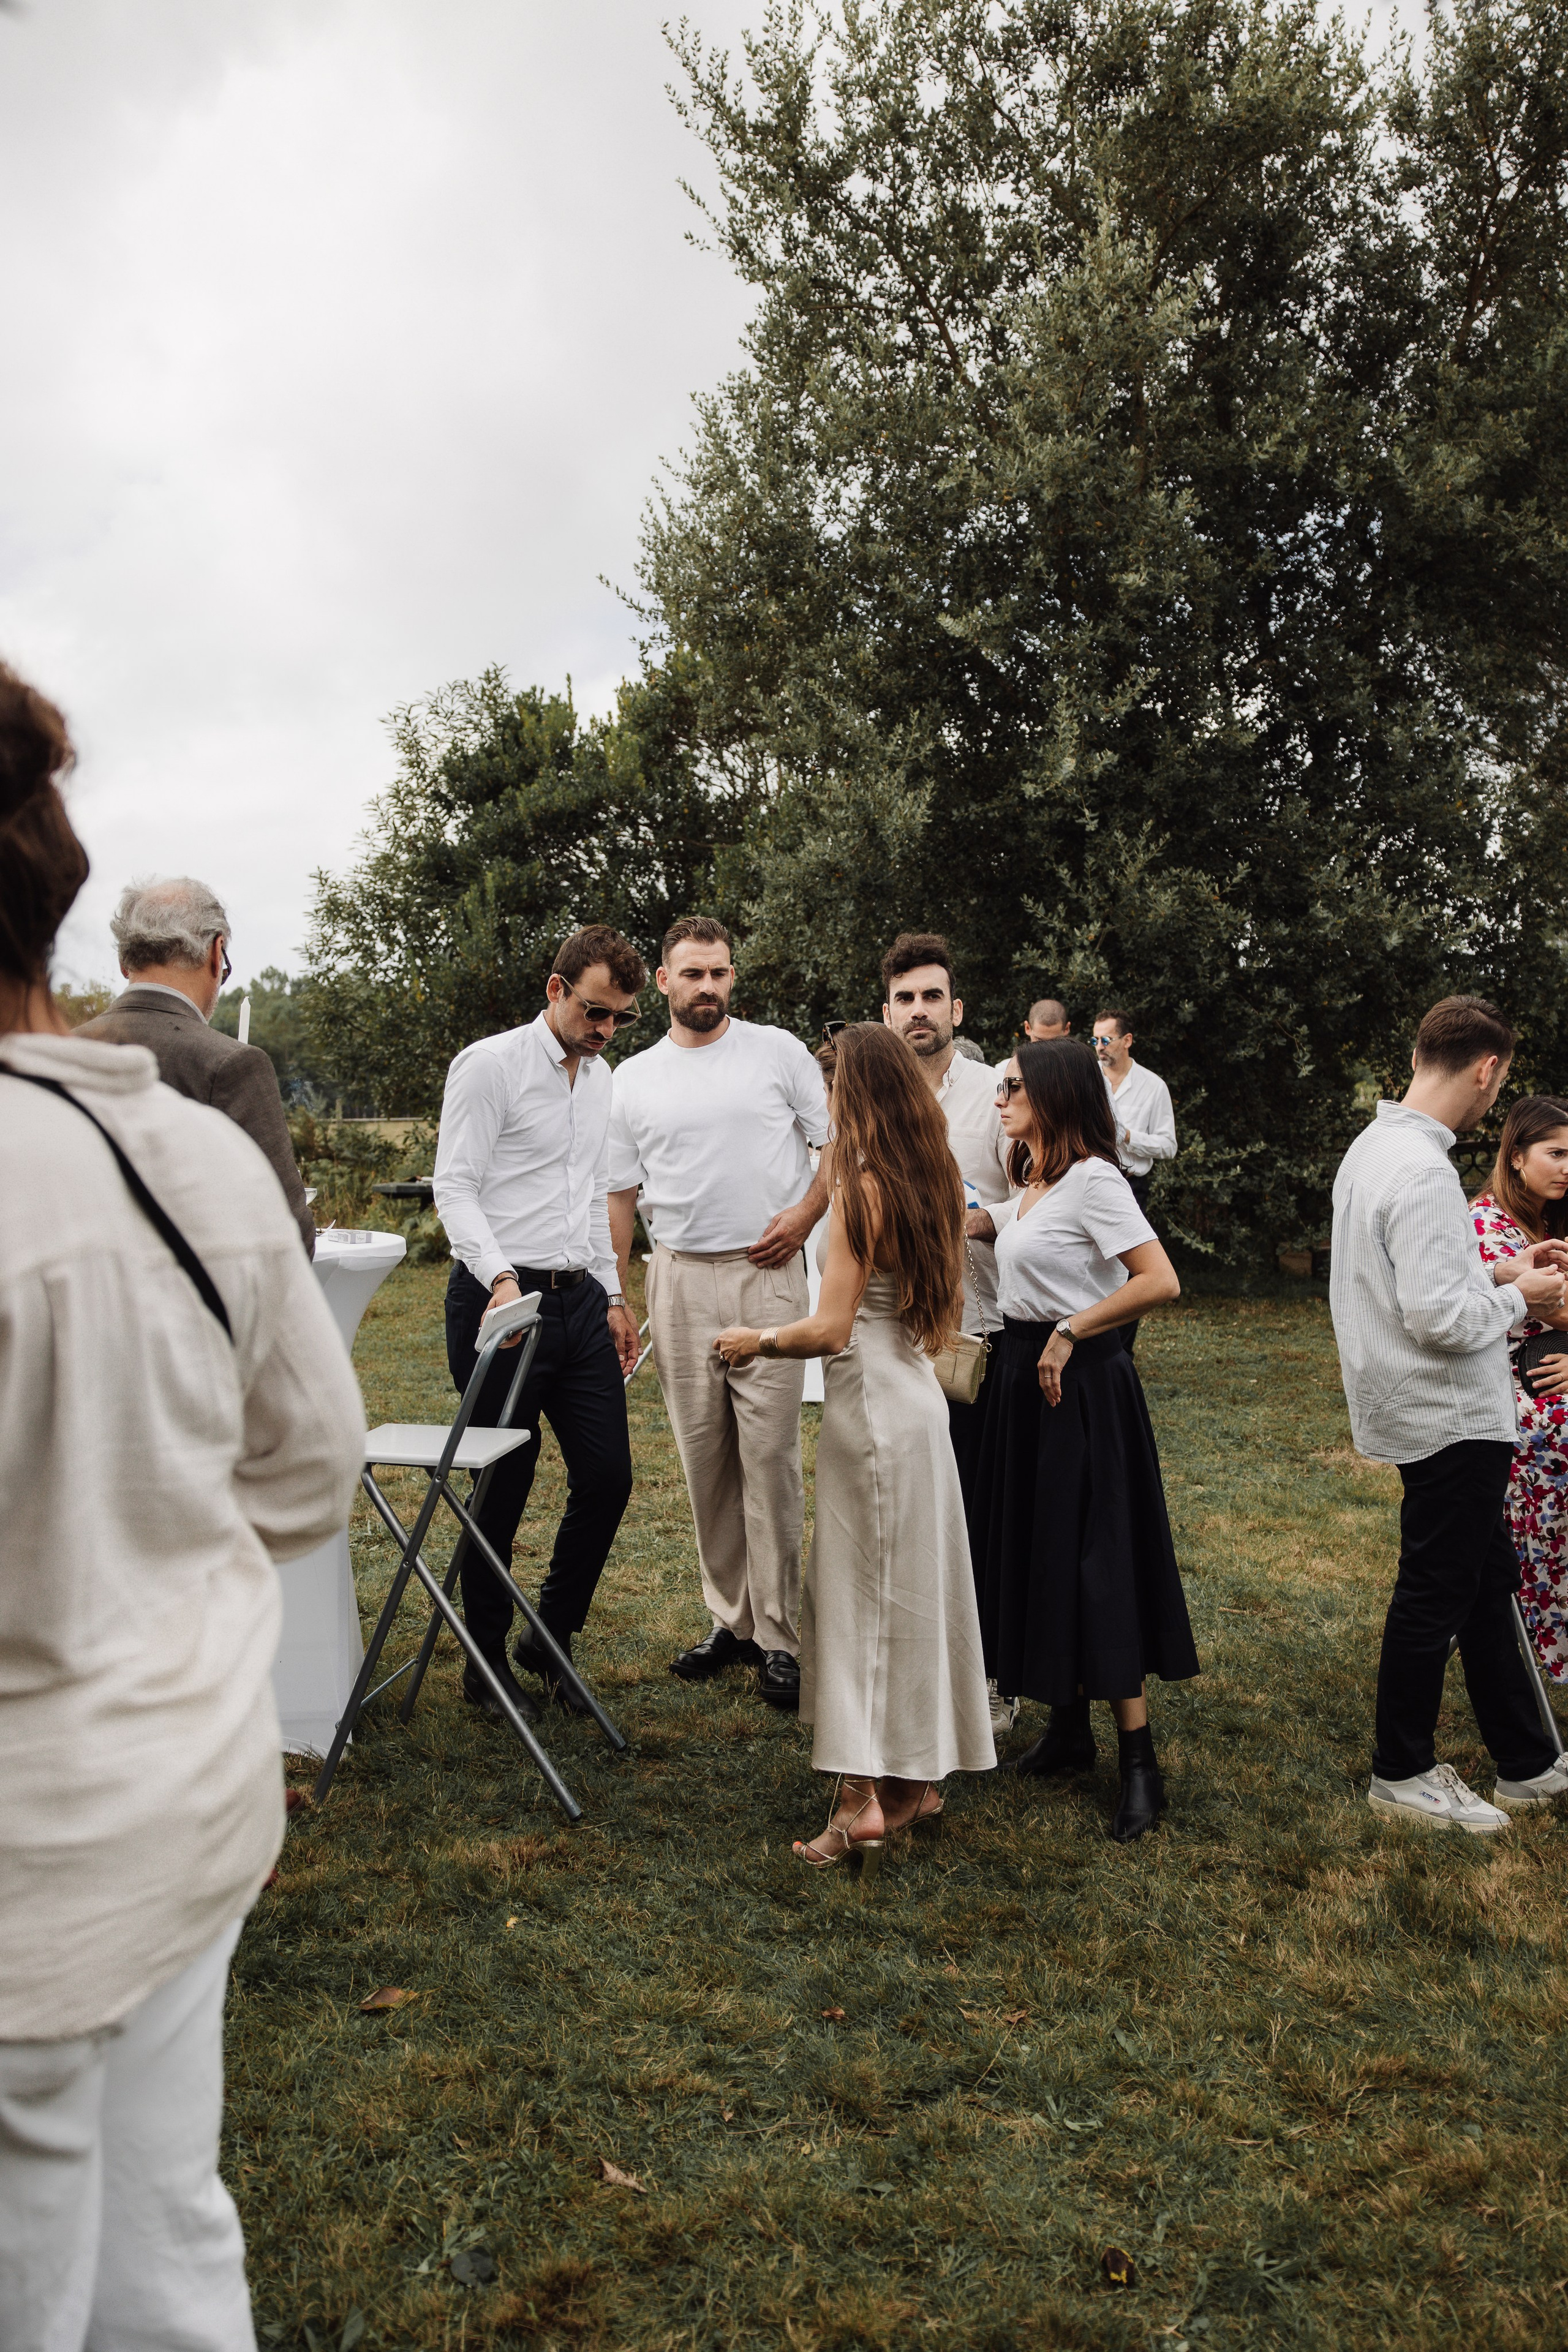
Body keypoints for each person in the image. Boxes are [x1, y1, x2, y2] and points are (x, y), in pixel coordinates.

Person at [0, 663, 365, 2346]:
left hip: (37, 1864)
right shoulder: (212, 1141)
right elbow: (307, 1468)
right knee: (166, 2239)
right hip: (186, 1790)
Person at [715, 1023, 994, 1869]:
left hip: (871, 1412)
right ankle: (916, 1783)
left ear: (853, 1096)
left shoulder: (865, 1192)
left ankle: (857, 1803)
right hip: (914, 1401)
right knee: (910, 1594)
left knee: (858, 1606)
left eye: (832, 1092)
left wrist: (753, 1341)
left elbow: (832, 1328)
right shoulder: (932, 1176)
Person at [1330, 997, 1568, 1833]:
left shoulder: (1375, 1148)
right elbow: (1437, 1319)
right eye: (1495, 1086)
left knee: (1485, 1581)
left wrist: (1503, 1273)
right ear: (1486, 1069)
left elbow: (1418, 1284)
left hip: (1418, 1404)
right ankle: (1402, 1770)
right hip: (1451, 1413)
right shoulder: (1427, 1170)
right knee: (1437, 1591)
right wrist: (1526, 1300)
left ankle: (1527, 1760)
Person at [968, 1038, 1196, 1841]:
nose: (999, 1099)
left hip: (1083, 1384)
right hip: (1025, 1380)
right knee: (1041, 1548)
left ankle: (1141, 1763)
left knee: (1098, 1563)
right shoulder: (1036, 1181)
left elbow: (1158, 1280)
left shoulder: (1097, 1180)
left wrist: (1071, 1328)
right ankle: (1067, 1732)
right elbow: (988, 1222)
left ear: (1055, 1096)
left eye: (1012, 1088)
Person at [608, 916, 829, 1711]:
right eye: (693, 974)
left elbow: (836, 1146)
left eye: (720, 974)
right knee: (706, 1463)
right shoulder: (631, 1079)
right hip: (677, 1281)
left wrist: (804, 1220)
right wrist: (617, 1291)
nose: (708, 987)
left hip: (766, 1277)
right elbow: (621, 1193)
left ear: (734, 977)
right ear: (663, 982)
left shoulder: (778, 1054)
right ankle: (729, 1624)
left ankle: (780, 1639)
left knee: (768, 1464)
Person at [432, 925, 644, 1724]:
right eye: (596, 1012)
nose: (605, 1031)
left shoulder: (600, 1077)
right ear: (555, 991)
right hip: (500, 1299)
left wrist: (614, 1293)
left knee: (608, 1477)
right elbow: (454, 1188)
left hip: (580, 1300)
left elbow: (589, 1192)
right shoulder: (489, 1067)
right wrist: (500, 1277)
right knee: (504, 1481)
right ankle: (484, 1667)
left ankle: (548, 1636)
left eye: (619, 1018)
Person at [881, 931, 1016, 1731]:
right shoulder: (871, 1094)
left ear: (956, 1008)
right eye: (906, 999)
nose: (920, 1011)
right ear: (886, 1011)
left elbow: (1044, 1194)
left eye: (934, 997)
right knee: (911, 1511)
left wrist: (975, 1221)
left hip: (980, 1334)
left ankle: (995, 1677)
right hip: (895, 1335)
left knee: (980, 1513)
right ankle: (922, 1670)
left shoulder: (999, 1088)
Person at [77, 876, 315, 1255]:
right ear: (216, 953)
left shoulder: (60, 1051)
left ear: (124, 962)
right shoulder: (230, 1066)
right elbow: (288, 1236)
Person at [1471, 1098, 1568, 1683]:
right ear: (1514, 1157)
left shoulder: (1551, 1220)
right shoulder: (1487, 1223)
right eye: (1555, 1154)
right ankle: (1540, 1634)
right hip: (1510, 1394)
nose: (1567, 1167)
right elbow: (1551, 1308)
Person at [1091, 1009, 1177, 1352]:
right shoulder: (1089, 1078)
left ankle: (1121, 1351)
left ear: (1127, 1041)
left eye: (1106, 1039)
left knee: (1130, 1271)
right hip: (1089, 1179)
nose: (1099, 1047)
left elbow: (1168, 1146)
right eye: (1095, 1039)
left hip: (1131, 1185)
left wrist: (1127, 1136)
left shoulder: (1153, 1087)